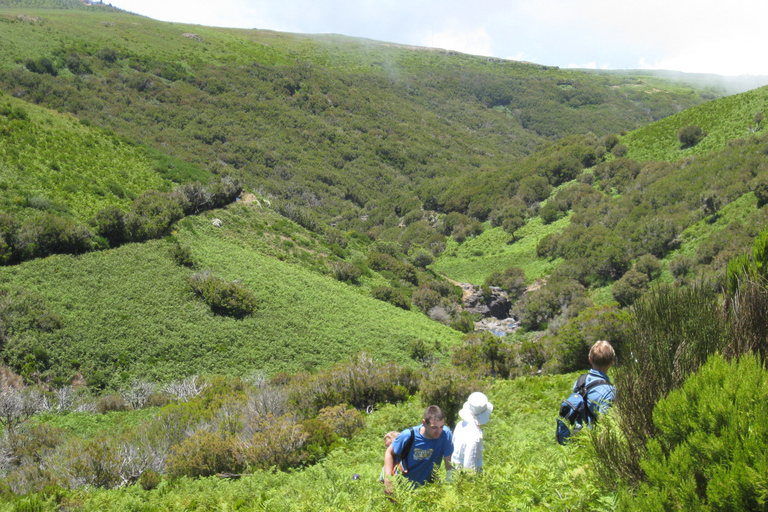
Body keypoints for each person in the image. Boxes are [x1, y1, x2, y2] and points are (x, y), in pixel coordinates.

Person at [383, 405, 454, 491]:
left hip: (429, 489)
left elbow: (448, 461)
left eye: (441, 427)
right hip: (405, 488)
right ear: (424, 423)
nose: (438, 431)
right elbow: (389, 452)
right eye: (434, 427)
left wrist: (450, 481)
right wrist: (388, 479)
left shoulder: (445, 434)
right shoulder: (408, 435)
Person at [558, 340, 616, 444]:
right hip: (593, 443)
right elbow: (605, 426)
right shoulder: (609, 391)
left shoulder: (580, 381)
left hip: (578, 437)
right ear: (612, 362)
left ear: (590, 360)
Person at [451, 391, 493, 473]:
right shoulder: (475, 436)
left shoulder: (460, 425)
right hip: (463, 479)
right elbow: (468, 468)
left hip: (454, 472)